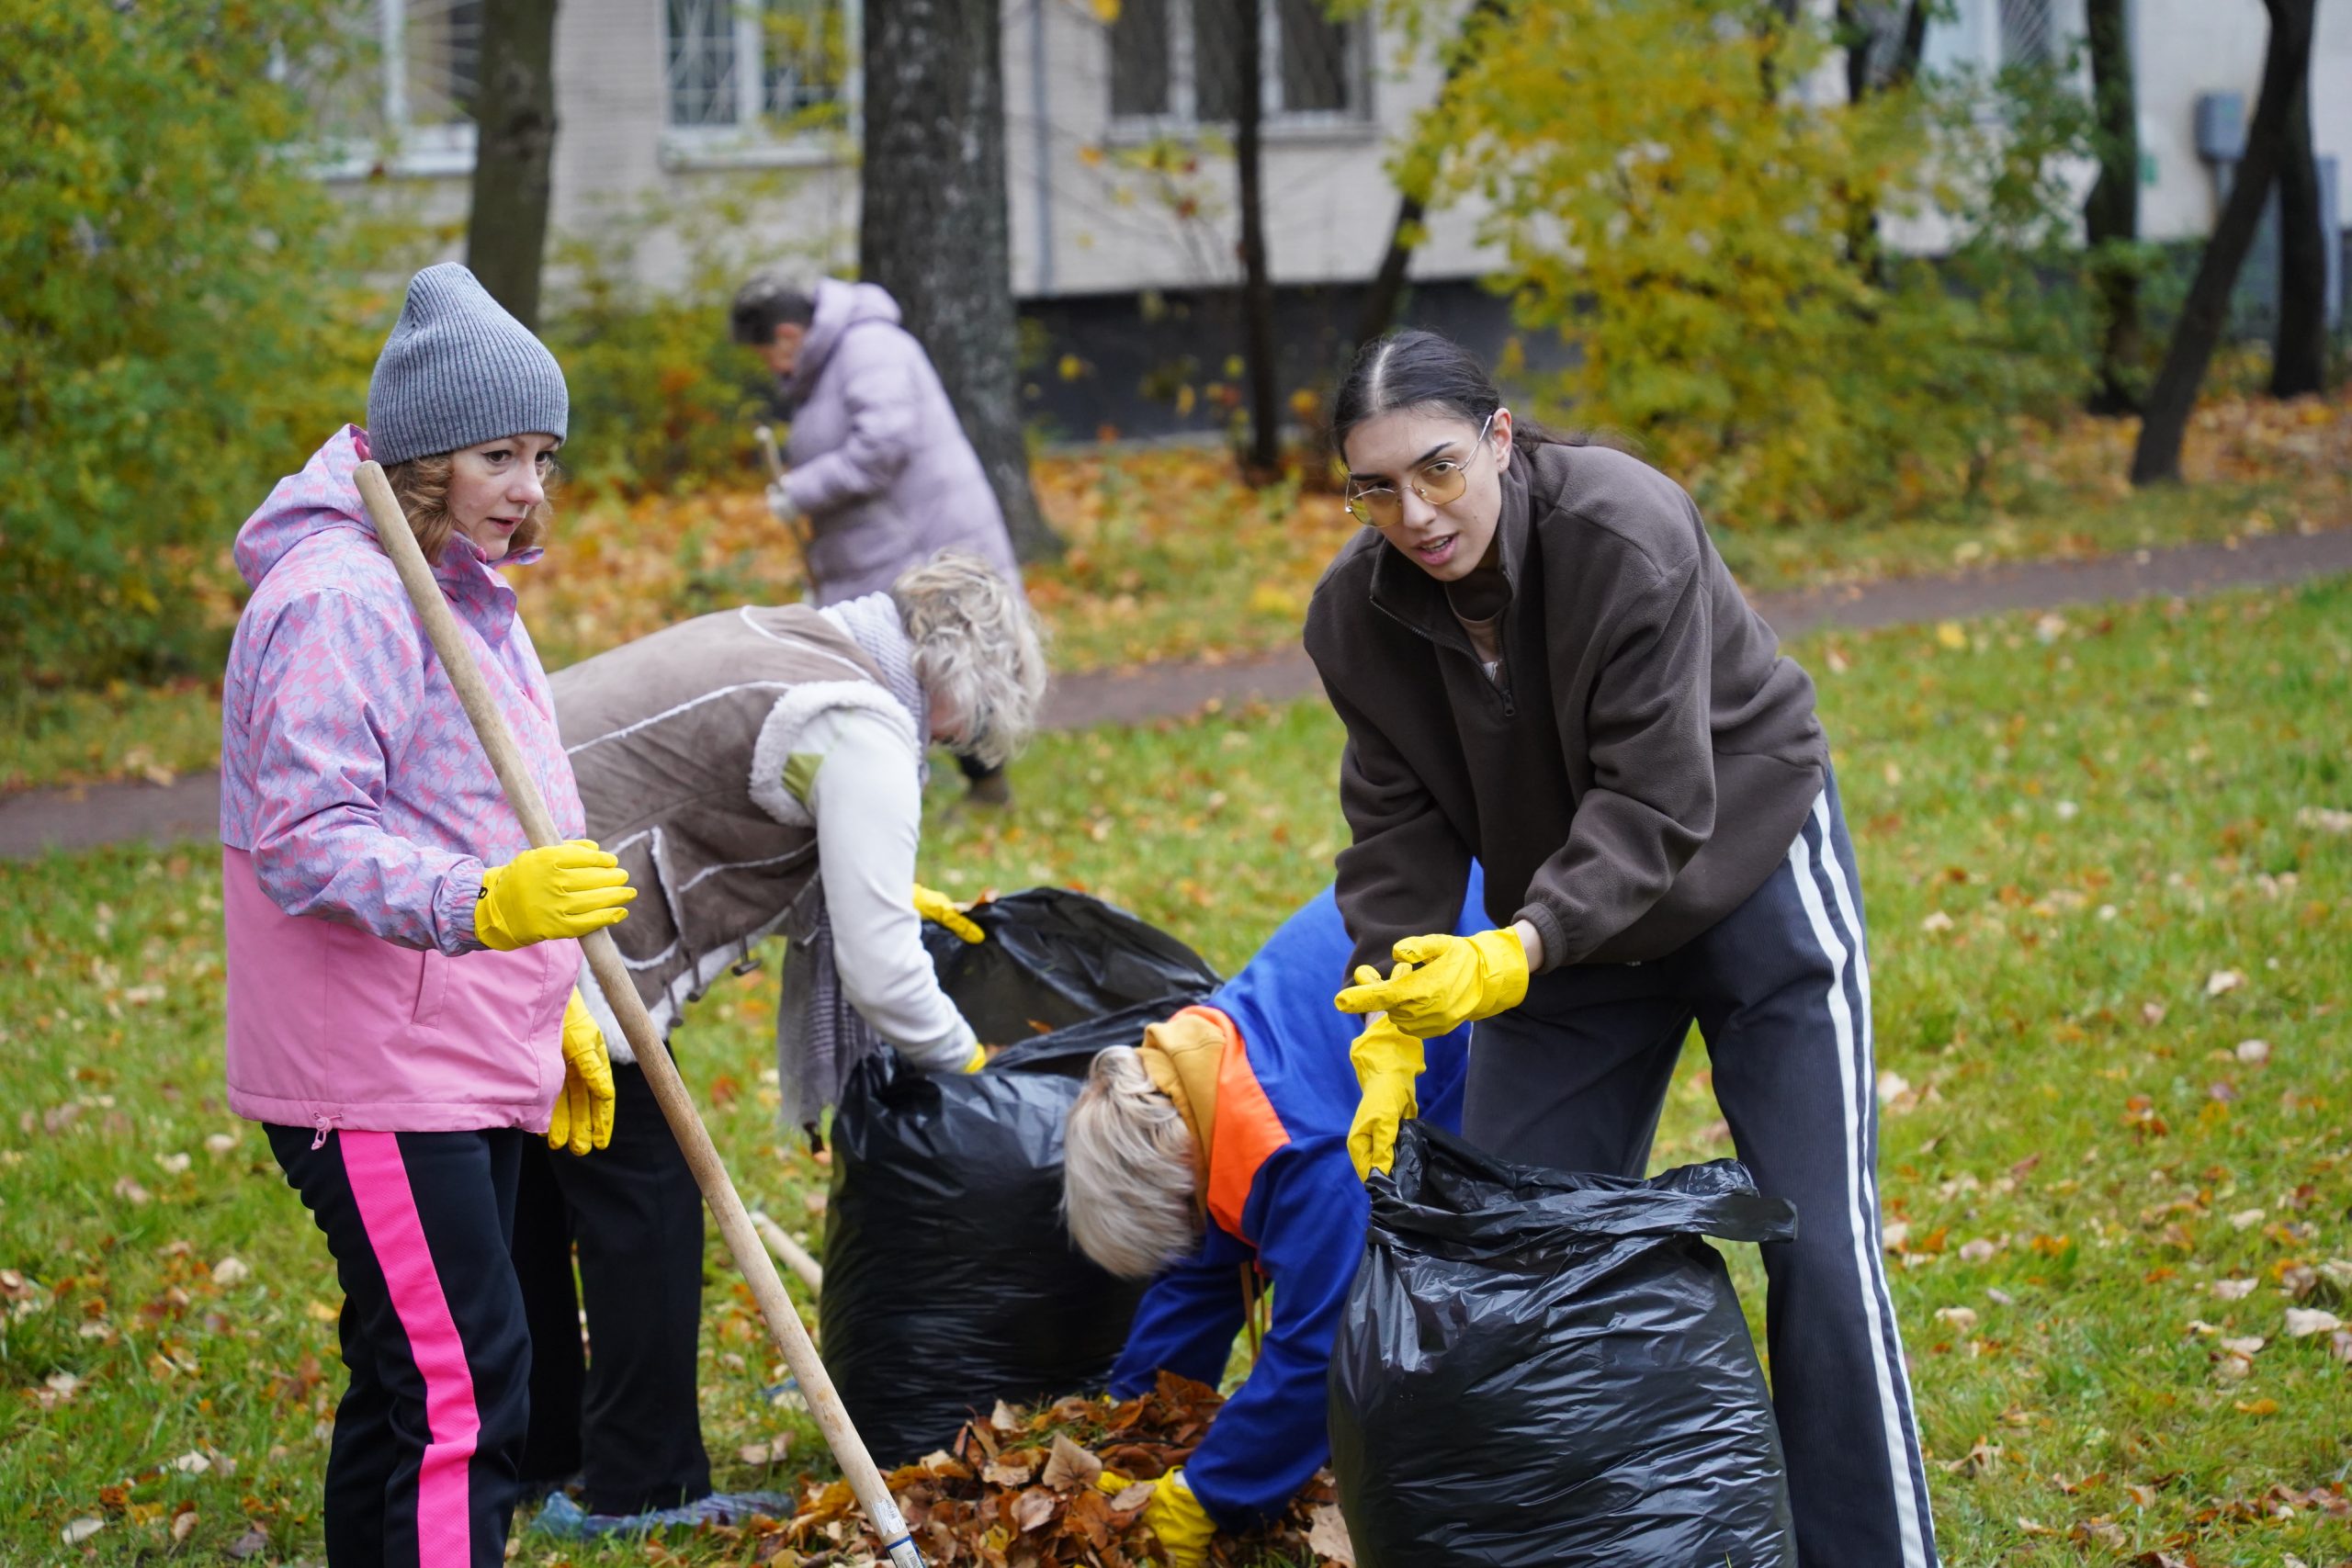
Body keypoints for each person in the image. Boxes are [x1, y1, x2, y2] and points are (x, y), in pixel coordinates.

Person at [1306, 328, 1939, 1567]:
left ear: (1498, 437)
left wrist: (1516, 948)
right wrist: (1386, 1017)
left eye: (1437, 468)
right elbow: (1396, 825)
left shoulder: (1623, 530)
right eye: (1374, 487)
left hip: (1747, 872)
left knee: (1818, 1244)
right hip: (1567, 937)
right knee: (1512, 1247)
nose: (1415, 514)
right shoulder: (1357, 616)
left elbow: (1656, 801)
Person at [218, 263, 636, 1568]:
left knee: (413, 1374)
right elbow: (305, 836)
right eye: (496, 454)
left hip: (450, 1044)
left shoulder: (459, 586)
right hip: (371, 1067)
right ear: (418, 457)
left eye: (543, 456)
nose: (527, 486)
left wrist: (551, 999)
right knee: (466, 1387)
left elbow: (485, 807)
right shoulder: (342, 598)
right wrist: (487, 904)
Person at [510, 550, 1051, 1534]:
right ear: (955, 674)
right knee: (646, 1204)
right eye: (964, 726)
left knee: (540, 1196)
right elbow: (883, 972)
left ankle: (538, 1452)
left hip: (490, 885)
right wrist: (971, 1067)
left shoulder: (800, 636)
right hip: (555, 925)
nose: (952, 744)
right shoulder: (861, 722)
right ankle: (644, 1488)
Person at [1058, 874, 1487, 1565]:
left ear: (1183, 1181)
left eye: (1185, 1225)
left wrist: (1211, 1493)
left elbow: (1328, 1347)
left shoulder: (1303, 1155)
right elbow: (1199, 1274)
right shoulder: (1190, 1071)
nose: (1195, 1244)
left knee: (1453, 1266)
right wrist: (1132, 1427)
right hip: (1442, 895)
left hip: (1513, 961)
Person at [729, 270, 1028, 809]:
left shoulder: (869, 348)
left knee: (941, 661)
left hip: (919, 539)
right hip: (881, 543)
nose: (770, 367)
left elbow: (883, 445)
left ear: (789, 335)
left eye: (765, 353)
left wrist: (801, 490)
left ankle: (984, 785)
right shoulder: (833, 362)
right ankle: (926, 785)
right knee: (905, 665)